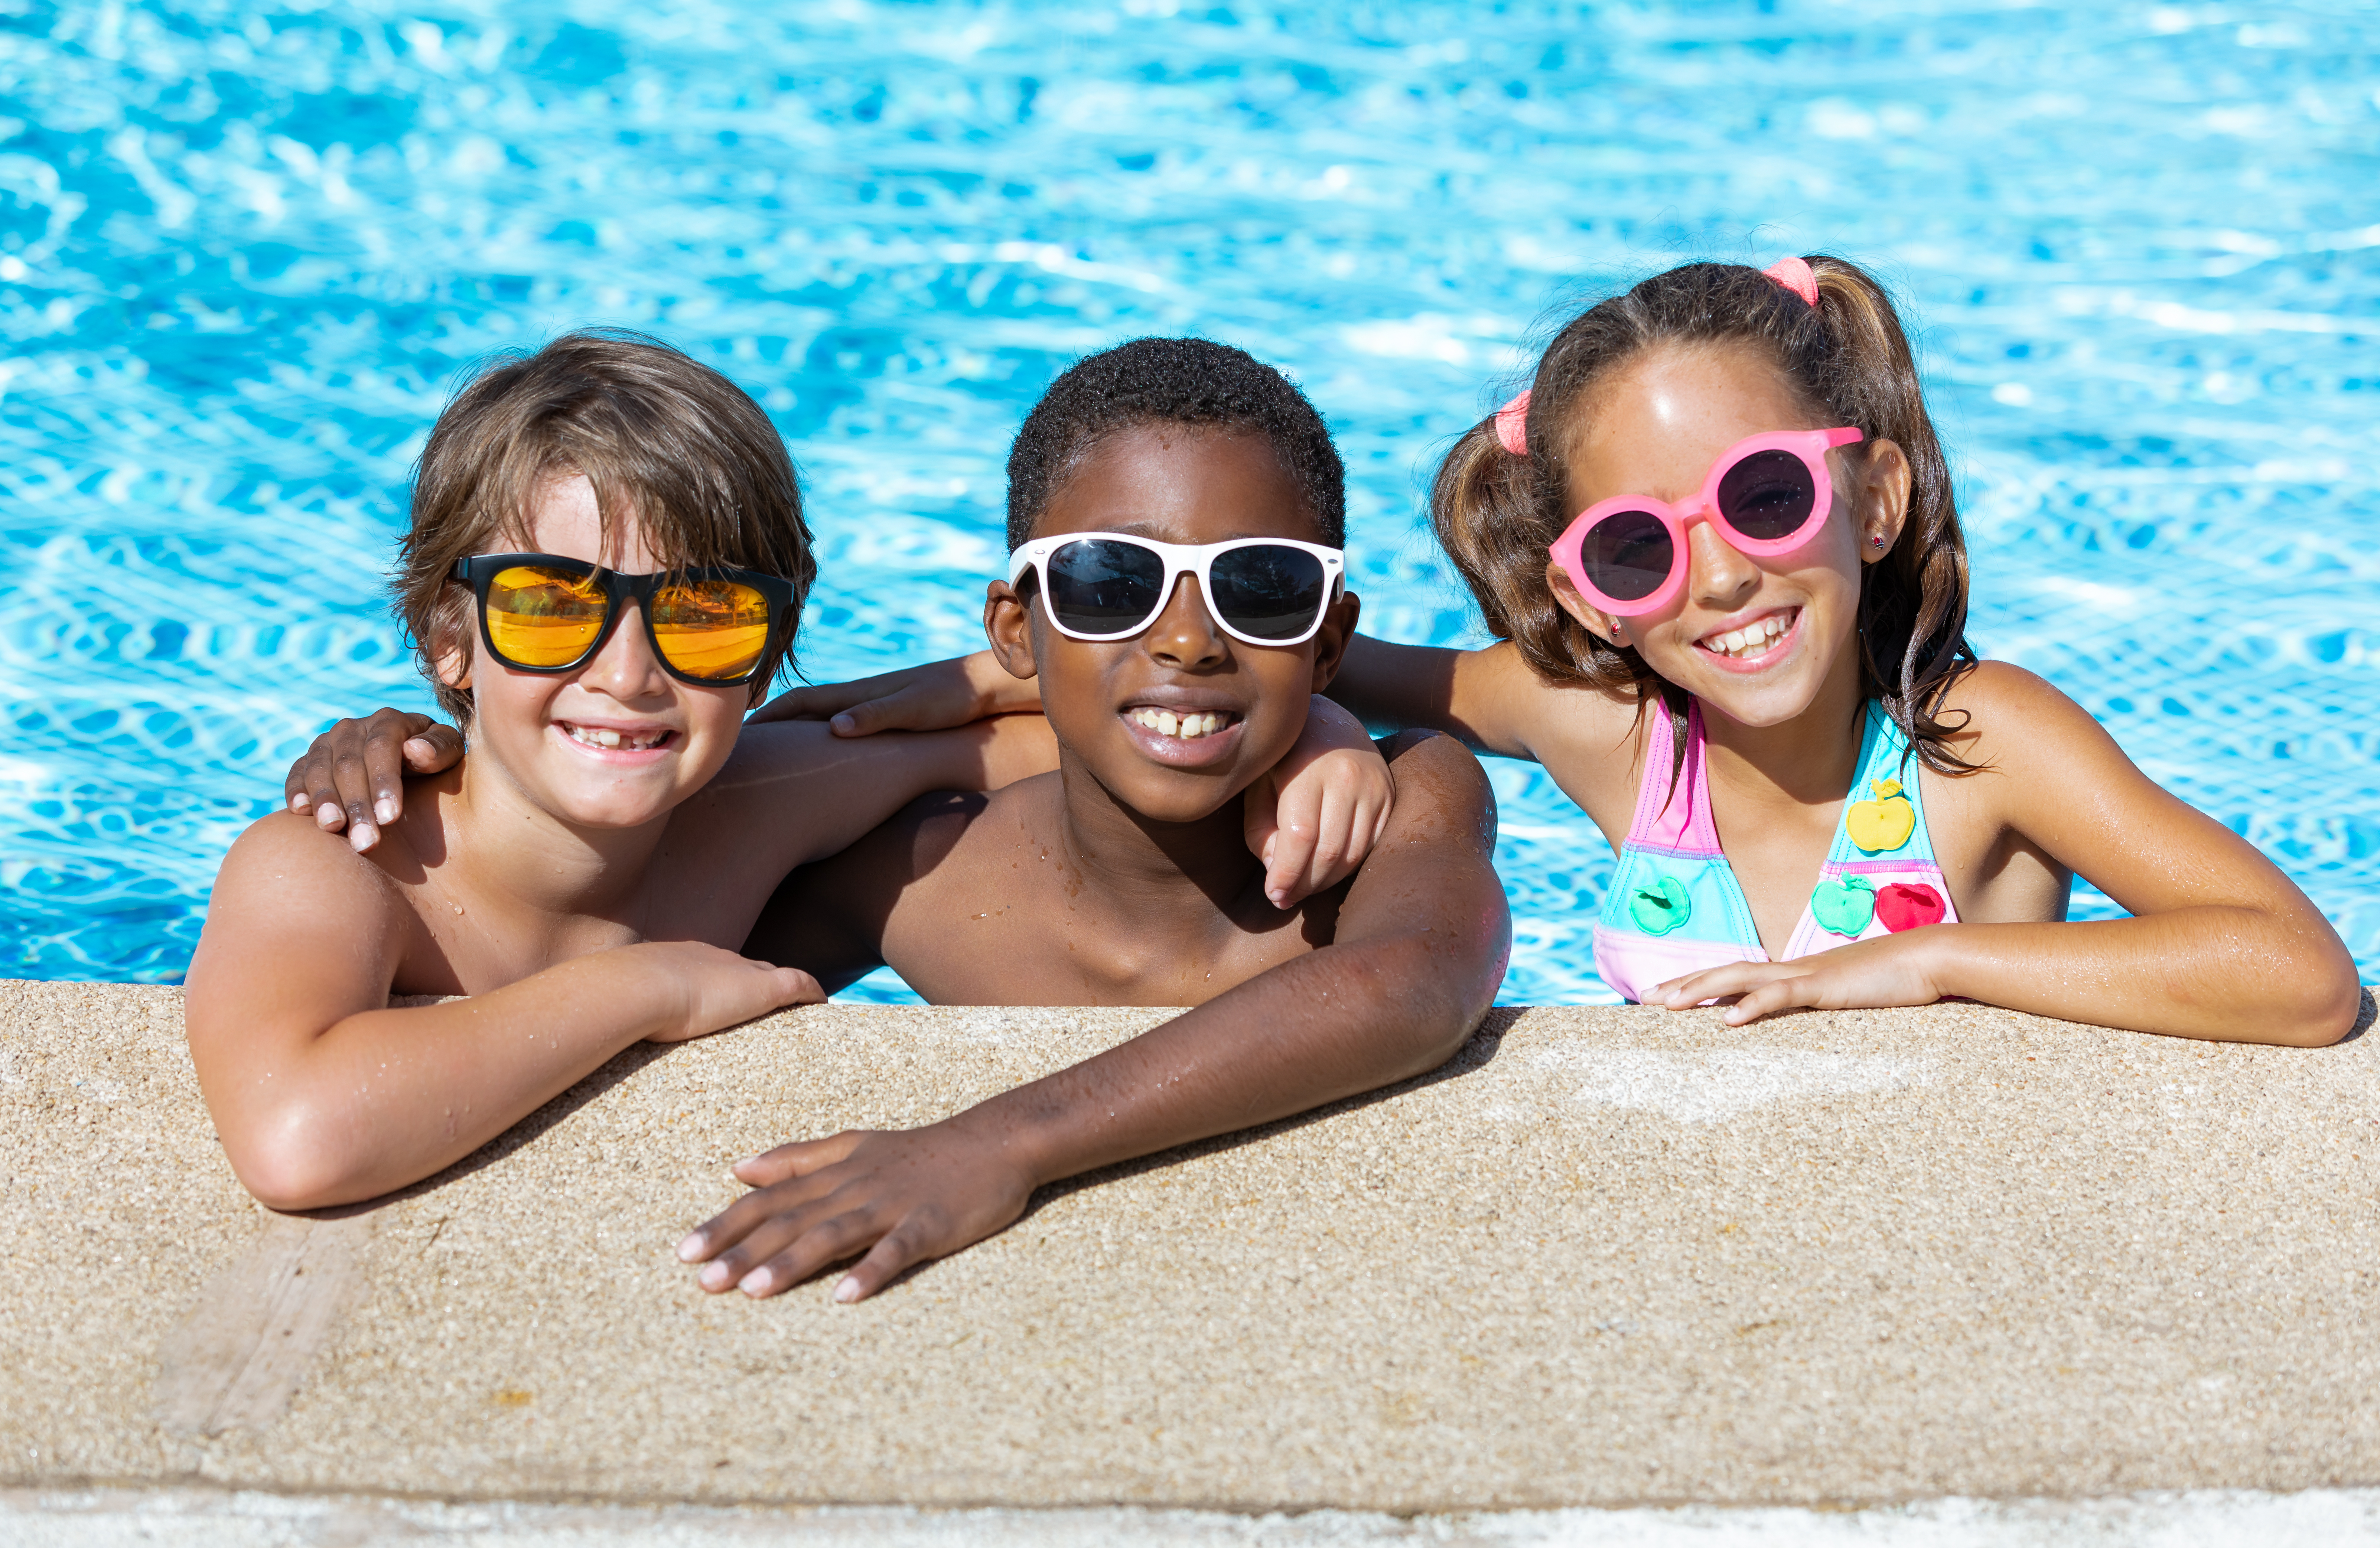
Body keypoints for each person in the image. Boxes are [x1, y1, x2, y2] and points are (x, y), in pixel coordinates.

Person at [781, 260, 2360, 1047]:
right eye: (1637, 543)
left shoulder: (1976, 740)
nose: (1719, 573)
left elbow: (2295, 974)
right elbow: (1263, 672)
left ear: (1867, 496)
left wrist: (1921, 960)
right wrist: (1015, 681)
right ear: (1590, 588)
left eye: (1762, 495)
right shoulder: (1613, 732)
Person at [199, 330, 1388, 1213]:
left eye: (704, 616)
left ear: (769, 655)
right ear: (447, 638)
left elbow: (1123, 723)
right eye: (552, 607)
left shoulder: (769, 796)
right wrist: (643, 989)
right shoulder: (343, 863)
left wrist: (1318, 735)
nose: (627, 673)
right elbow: (301, 1140)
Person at [675, 337, 1509, 1302]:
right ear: (1015, 631)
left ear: (1326, 643)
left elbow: (1414, 984)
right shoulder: (920, 878)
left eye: (1260, 587)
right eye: (1110, 582)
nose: (1189, 640)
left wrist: (996, 1141)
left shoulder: (1410, 793)